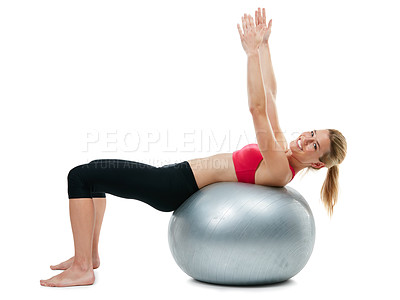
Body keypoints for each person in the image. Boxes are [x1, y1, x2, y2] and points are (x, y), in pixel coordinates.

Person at [40, 8, 347, 287]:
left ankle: (82, 268)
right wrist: (264, 45)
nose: (305, 139)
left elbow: (256, 109)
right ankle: (89, 255)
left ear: (318, 164)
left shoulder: (281, 168)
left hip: (174, 187)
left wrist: (251, 53)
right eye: (310, 132)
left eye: (314, 145)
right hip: (176, 177)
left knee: (80, 176)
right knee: (94, 173)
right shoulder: (283, 150)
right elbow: (270, 95)